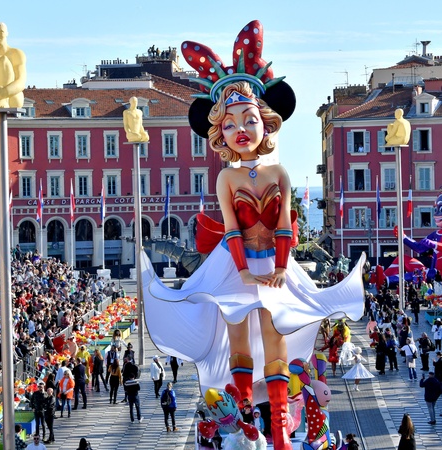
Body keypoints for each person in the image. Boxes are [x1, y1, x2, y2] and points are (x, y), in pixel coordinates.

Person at [141, 22, 366, 450]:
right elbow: (231, 228)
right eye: (230, 123)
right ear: (219, 132)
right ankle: (246, 422)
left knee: (276, 336)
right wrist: (244, 272)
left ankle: (280, 433)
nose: (241, 129)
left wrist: (280, 268)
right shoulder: (226, 177)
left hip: (274, 265)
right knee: (239, 341)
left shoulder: (278, 172)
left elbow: (283, 224)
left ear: (266, 122)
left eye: (249, 119)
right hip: (236, 267)